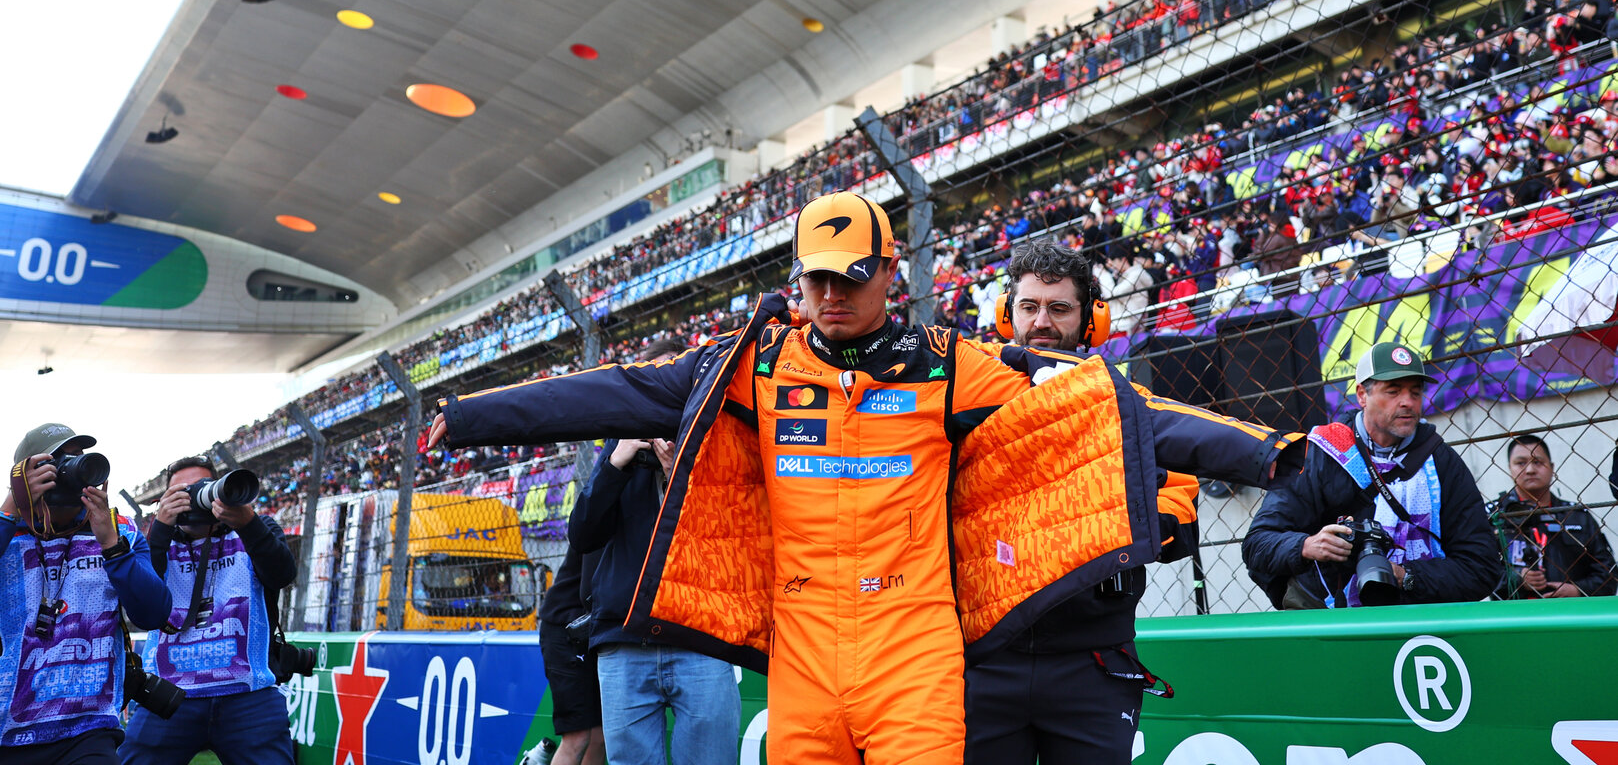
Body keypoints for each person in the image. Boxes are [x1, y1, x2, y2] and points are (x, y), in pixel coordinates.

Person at [428, 191, 1306, 765]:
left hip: (914, 647)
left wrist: (1273, 457)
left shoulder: (953, 363)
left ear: (894, 271)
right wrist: (472, 418)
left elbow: (1122, 418)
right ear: (795, 280)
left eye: (853, 278)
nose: (832, 296)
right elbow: (617, 391)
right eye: (815, 280)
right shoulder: (756, 361)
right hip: (802, 650)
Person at [968, 237, 1199, 765]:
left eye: (1058, 308)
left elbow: (1179, 514)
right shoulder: (969, 398)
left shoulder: (1133, 405)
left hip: (1092, 661)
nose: (1041, 321)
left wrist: (1115, 517)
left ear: (1090, 319)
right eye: (1028, 307)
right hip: (985, 658)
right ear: (1008, 315)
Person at [567, 340, 739, 765]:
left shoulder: (710, 437)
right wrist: (615, 465)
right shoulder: (618, 442)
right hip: (624, 638)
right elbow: (583, 534)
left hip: (699, 635)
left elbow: (727, 539)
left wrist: (676, 473)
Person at [1242, 342, 1501, 608]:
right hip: (1331, 618)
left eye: (1415, 392)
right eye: (1393, 391)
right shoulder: (1320, 454)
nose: (1408, 403)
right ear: (1362, 395)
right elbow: (1257, 545)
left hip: (1423, 619)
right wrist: (1307, 545)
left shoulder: (1441, 461)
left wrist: (1406, 576)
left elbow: (1482, 567)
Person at [1, 424, 170, 764]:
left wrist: (112, 547)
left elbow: (154, 614)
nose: (72, 468)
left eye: (78, 459)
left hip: (89, 727)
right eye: (58, 461)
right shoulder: (8, 529)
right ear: (24, 472)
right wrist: (10, 510)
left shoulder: (119, 530)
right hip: (7, 726)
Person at [117, 457, 298, 765]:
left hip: (248, 691)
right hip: (170, 694)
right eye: (180, 493)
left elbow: (281, 574)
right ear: (164, 501)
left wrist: (248, 523)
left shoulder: (254, 527)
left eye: (201, 489)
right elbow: (141, 608)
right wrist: (160, 529)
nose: (191, 499)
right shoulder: (156, 541)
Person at [1489, 434, 1616, 600]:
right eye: (1521, 463)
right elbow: (1477, 572)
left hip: (1571, 615)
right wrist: (1517, 578)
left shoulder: (1576, 516)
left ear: (1552, 466)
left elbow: (1609, 574)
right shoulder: (1493, 517)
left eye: (1537, 462)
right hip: (1513, 618)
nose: (1530, 470)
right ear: (1509, 468)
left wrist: (1577, 590)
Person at [532, 539, 606, 765]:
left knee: (599, 737)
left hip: (596, 631)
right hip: (568, 626)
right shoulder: (605, 508)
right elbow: (590, 587)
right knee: (577, 736)